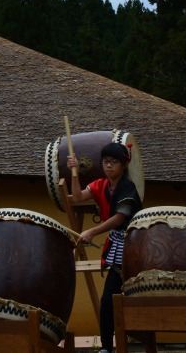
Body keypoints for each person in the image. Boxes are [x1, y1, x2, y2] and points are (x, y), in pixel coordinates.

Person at [67, 142, 142, 353]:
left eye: (114, 162)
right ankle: (107, 347)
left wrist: (91, 231)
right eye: (106, 162)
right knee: (108, 301)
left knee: (136, 297)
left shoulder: (129, 188)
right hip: (116, 248)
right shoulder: (100, 185)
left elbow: (119, 218)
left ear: (124, 165)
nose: (109, 166)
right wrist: (74, 172)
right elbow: (78, 198)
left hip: (134, 245)